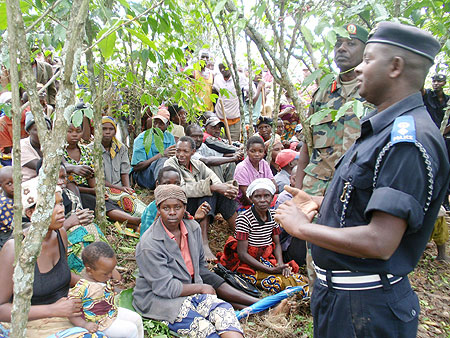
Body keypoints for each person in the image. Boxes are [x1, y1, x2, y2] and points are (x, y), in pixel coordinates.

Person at [275, 22, 448, 337]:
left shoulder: (406, 140)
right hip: (345, 303)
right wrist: (319, 201)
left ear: (395, 66)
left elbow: (381, 241)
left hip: (364, 309)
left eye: (368, 60)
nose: (360, 69)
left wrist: (302, 229)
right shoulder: (382, 127)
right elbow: (364, 195)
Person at [133, 184, 244, 338]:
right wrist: (201, 288)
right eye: (166, 208)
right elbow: (165, 288)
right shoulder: (150, 243)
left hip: (191, 291)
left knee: (225, 315)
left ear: (185, 207)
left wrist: (201, 290)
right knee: (205, 329)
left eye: (177, 207)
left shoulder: (192, 228)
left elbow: (199, 264)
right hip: (160, 300)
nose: (172, 212)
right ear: (158, 209)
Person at [0, 178, 107, 337]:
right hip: (33, 321)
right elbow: (1, 309)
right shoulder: (14, 249)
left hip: (67, 311)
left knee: (132, 323)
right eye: (51, 205)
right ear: (30, 213)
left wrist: (95, 284)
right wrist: (52, 310)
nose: (60, 210)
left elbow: (62, 274)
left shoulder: (60, 234)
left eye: (60, 203)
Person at [296, 23, 370, 196]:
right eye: (338, 44)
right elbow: (307, 148)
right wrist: (298, 192)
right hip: (317, 189)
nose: (342, 49)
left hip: (357, 190)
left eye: (351, 44)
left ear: (367, 51)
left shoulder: (375, 93)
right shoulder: (322, 94)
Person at [217, 178, 308, 293]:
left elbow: (277, 243)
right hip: (248, 264)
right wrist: (270, 270)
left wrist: (280, 263)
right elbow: (242, 254)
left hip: (266, 258)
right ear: (251, 198)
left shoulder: (273, 215)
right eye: (257, 196)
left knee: (295, 277)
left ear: (272, 197)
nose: (262, 200)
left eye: (266, 196)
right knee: (285, 284)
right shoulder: (244, 219)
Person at [164, 136, 238, 260]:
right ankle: (203, 243)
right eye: (178, 151)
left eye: (185, 151)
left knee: (219, 193)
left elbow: (215, 180)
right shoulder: (170, 164)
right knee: (208, 192)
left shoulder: (198, 164)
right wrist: (212, 187)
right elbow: (181, 189)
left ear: (193, 152)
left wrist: (226, 189)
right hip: (182, 206)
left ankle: (240, 233)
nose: (180, 154)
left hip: (199, 203)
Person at [64, 123, 141, 230]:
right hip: (72, 191)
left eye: (78, 131)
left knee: (107, 201)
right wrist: (92, 191)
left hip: (88, 188)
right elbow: (66, 183)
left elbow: (91, 178)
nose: (74, 135)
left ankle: (134, 224)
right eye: (70, 131)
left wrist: (97, 190)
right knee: (98, 204)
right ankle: (136, 221)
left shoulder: (86, 151)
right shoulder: (59, 152)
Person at [68, 242, 144, 337]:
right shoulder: (82, 288)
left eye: (111, 271)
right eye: (106, 273)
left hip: (110, 314)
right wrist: (84, 324)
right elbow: (71, 312)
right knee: (130, 330)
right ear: (89, 270)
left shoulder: (102, 277)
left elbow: (115, 281)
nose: (109, 275)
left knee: (137, 318)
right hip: (98, 323)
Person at [93, 116, 146, 218]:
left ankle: (145, 216)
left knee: (133, 198)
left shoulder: (121, 148)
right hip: (104, 189)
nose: (107, 132)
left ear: (115, 130)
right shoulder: (92, 149)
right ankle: (139, 219)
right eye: (104, 129)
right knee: (126, 201)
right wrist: (121, 189)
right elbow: (98, 179)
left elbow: (124, 172)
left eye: (111, 129)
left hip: (119, 188)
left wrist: (127, 188)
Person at [131, 109, 176, 189]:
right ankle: (161, 188)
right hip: (144, 175)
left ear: (167, 124)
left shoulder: (169, 137)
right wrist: (160, 155)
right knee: (162, 160)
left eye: (161, 123)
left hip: (165, 173)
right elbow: (137, 167)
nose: (157, 126)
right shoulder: (142, 138)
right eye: (155, 122)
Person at [234, 136, 276, 210]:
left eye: (260, 151)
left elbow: (274, 186)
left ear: (264, 152)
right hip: (247, 203)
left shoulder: (264, 164)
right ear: (247, 151)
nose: (257, 154)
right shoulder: (241, 168)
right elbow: (247, 195)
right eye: (253, 151)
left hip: (264, 200)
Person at [213, 63, 246, 141]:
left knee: (234, 144)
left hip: (235, 119)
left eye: (224, 67)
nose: (222, 70)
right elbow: (214, 91)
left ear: (230, 65)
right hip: (220, 119)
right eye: (220, 68)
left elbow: (250, 92)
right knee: (220, 143)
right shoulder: (217, 78)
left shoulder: (239, 77)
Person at [0, 166, 13, 249]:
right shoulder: (5, 202)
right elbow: (10, 224)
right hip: (6, 232)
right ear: (1, 185)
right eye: (9, 183)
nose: (14, 186)